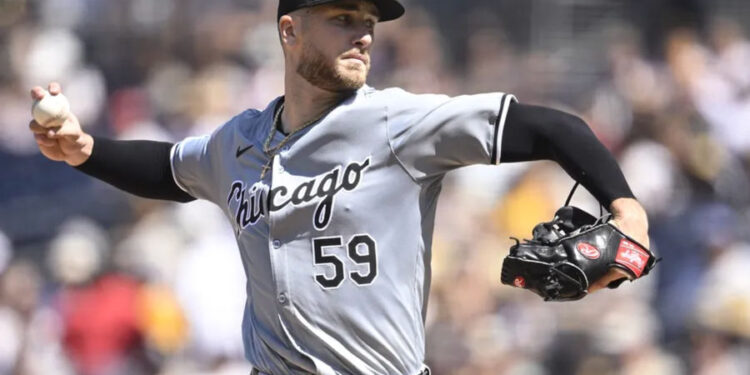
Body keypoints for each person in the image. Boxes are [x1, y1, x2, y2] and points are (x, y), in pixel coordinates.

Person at [28, 0, 649, 374]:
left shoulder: (395, 122)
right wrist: (84, 150)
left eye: (369, 20)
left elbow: (550, 127)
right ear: (290, 30)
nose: (365, 33)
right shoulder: (239, 141)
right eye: (343, 17)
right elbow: (169, 169)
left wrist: (627, 210)